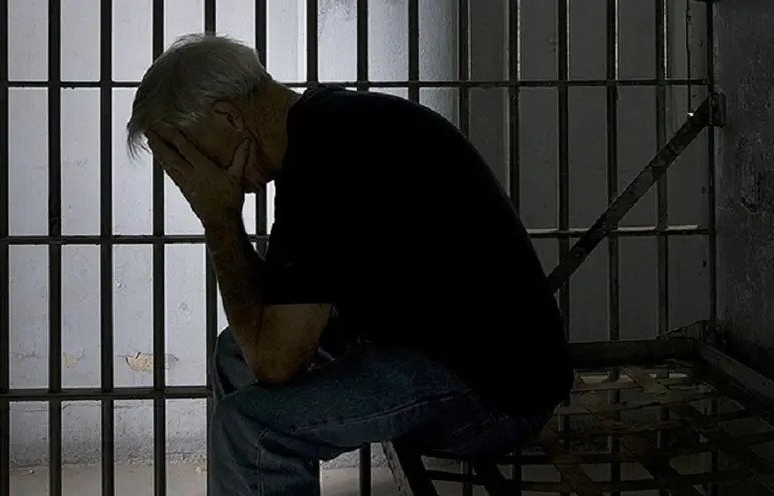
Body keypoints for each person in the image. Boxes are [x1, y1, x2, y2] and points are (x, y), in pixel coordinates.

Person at [127, 33, 574, 496]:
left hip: (495, 394)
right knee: (234, 352)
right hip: (439, 347)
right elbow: (268, 337)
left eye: (185, 153)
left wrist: (219, 221)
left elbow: (276, 363)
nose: (189, 174)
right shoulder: (326, 127)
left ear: (227, 116)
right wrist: (223, 220)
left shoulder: (327, 158)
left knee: (253, 426)